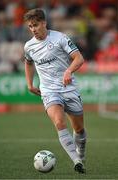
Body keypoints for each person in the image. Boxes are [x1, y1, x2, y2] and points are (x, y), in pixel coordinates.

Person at [23, 8, 87, 174]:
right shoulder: (29, 46)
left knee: (79, 129)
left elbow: (79, 58)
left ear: (44, 23)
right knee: (59, 122)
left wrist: (68, 71)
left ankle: (81, 153)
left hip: (68, 88)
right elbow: (28, 63)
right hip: (49, 90)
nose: (33, 29)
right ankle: (76, 161)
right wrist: (30, 84)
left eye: (35, 25)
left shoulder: (60, 38)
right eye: (30, 26)